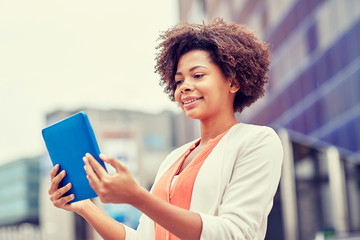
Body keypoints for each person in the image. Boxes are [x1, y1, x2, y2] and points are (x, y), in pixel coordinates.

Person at [48, 18, 283, 240]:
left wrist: (137, 197)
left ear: (233, 82)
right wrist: (85, 207)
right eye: (179, 81)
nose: (184, 87)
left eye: (198, 75)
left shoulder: (258, 141)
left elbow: (233, 234)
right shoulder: (172, 159)